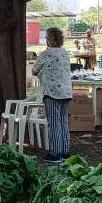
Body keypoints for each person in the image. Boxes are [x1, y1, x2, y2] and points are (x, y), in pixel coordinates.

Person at [32, 27, 73, 164]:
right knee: (63, 122)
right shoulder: (65, 53)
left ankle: (55, 154)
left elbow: (34, 70)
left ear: (49, 39)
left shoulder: (46, 54)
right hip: (66, 92)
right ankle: (65, 151)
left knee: (54, 123)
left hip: (52, 92)